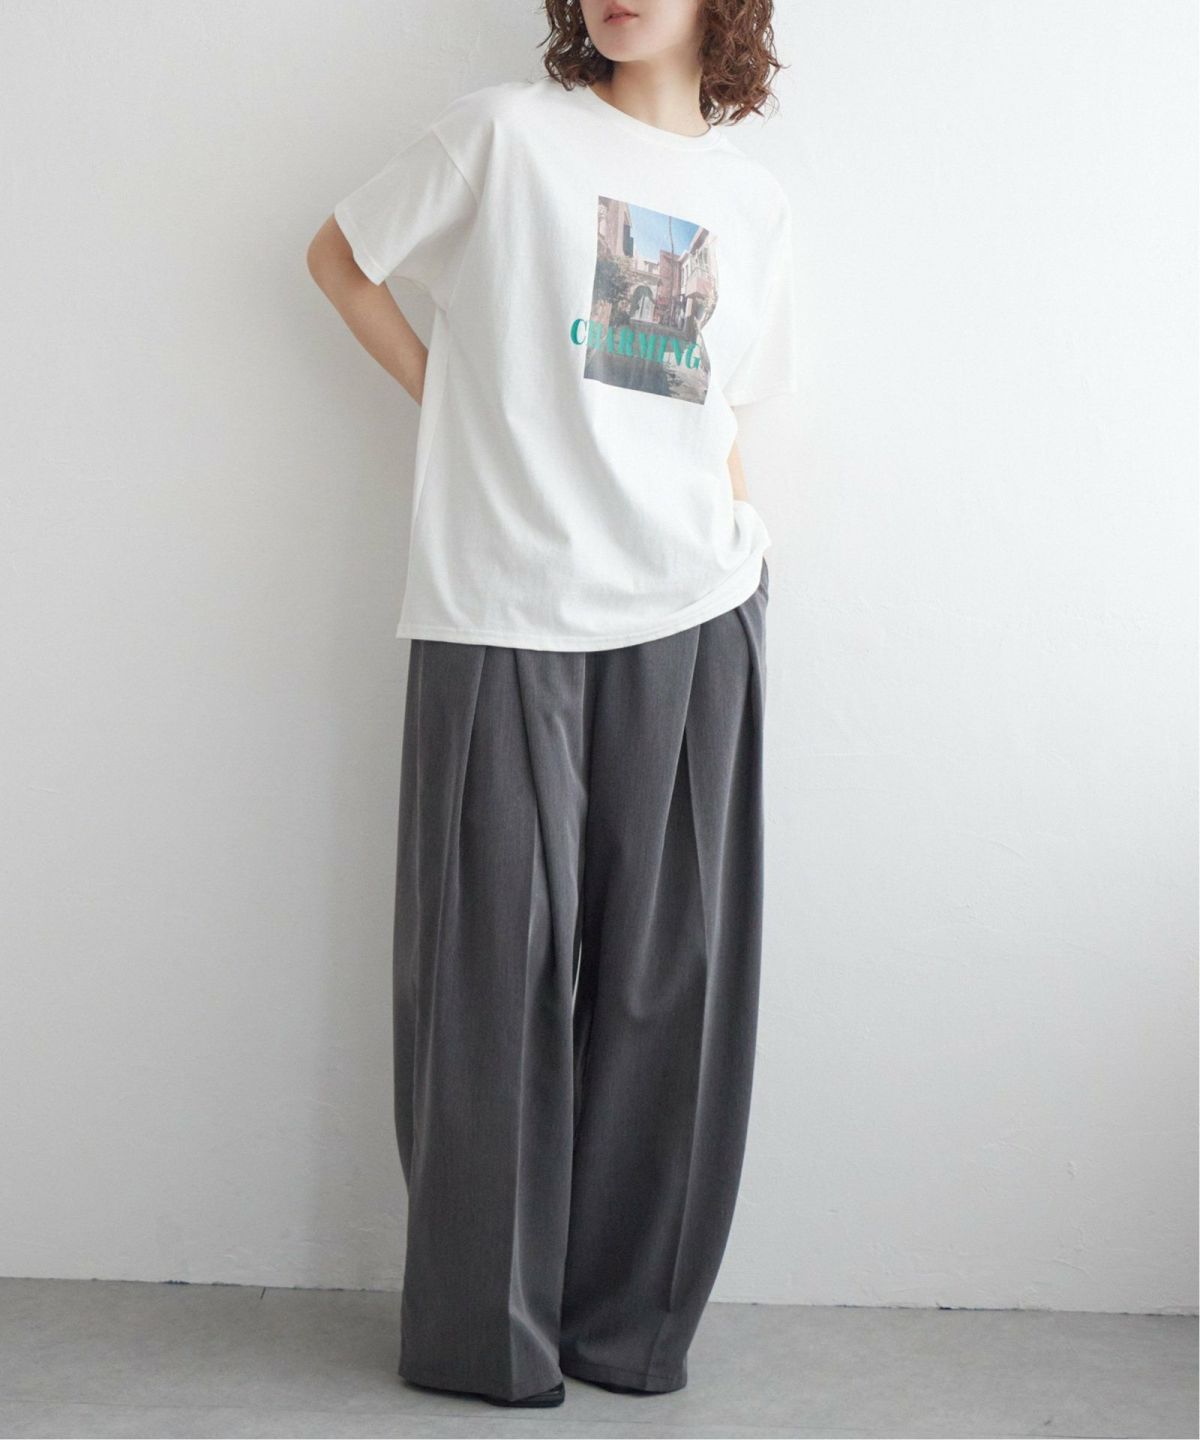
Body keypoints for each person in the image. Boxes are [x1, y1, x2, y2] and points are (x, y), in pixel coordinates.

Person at [306, 0, 798, 1410]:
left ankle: (631, 1329)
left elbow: (718, 411)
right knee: (488, 978)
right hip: (502, 602)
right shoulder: (506, 137)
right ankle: (488, 1340)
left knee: (671, 986)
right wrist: (454, 402)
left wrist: (745, 552)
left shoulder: (753, 204)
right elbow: (340, 259)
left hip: (696, 605)